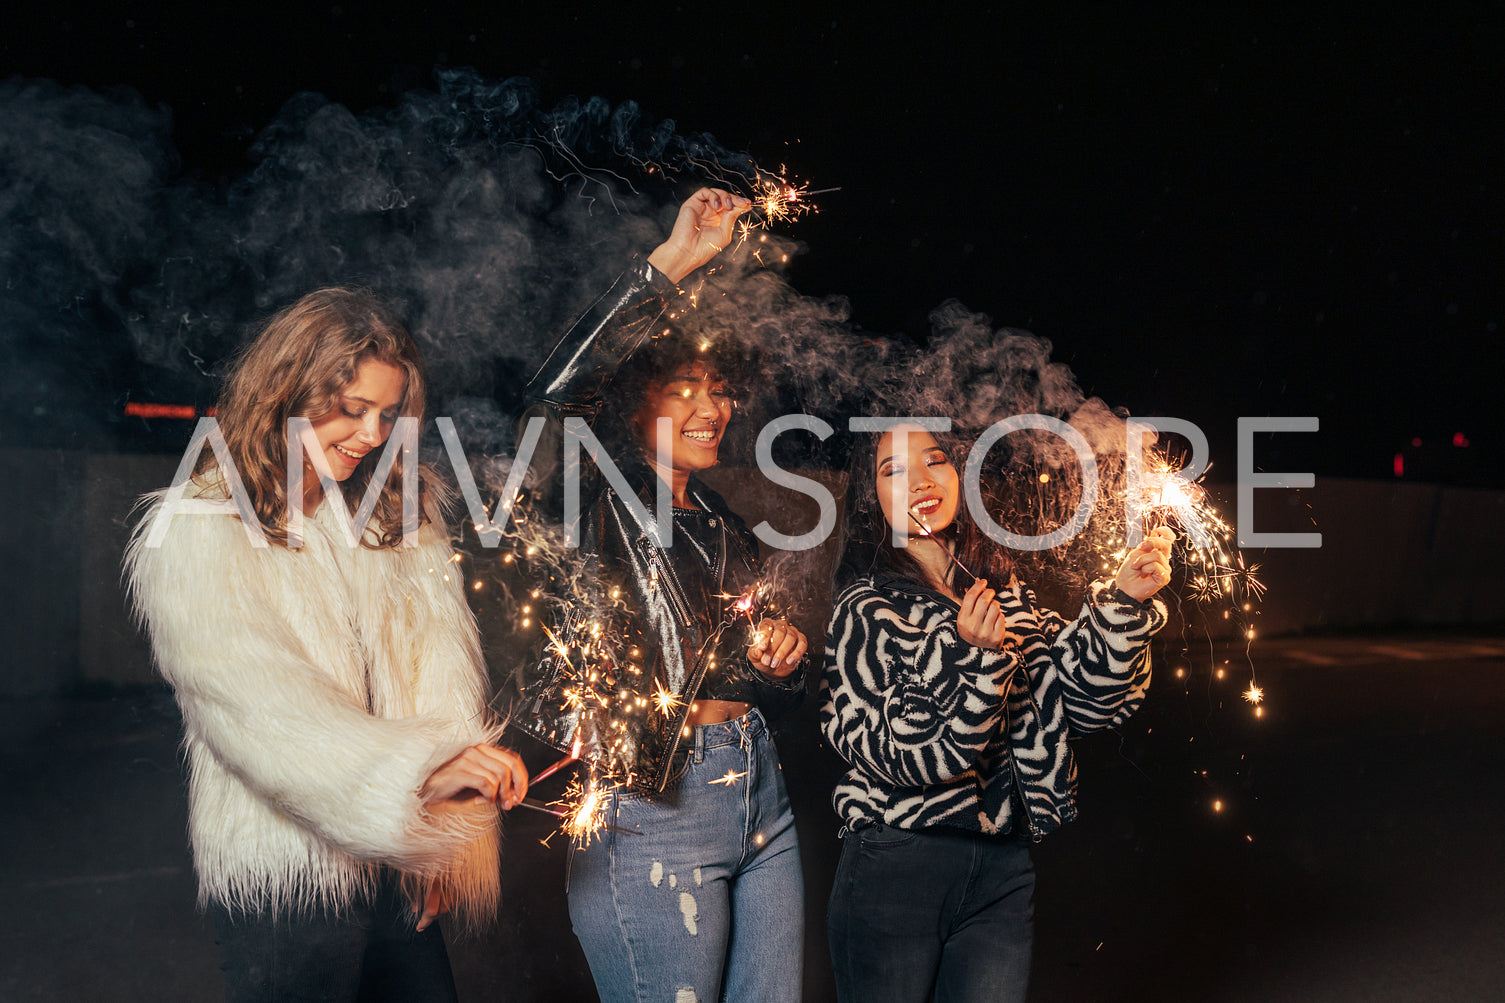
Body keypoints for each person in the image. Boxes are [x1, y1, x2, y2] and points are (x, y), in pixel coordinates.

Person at [124, 288, 529, 1001]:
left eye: (387, 412)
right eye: (350, 408)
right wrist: (417, 780)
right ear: (287, 391)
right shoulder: (199, 526)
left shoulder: (397, 512)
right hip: (287, 874)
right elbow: (258, 713)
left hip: (399, 856)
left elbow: (436, 674)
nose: (371, 433)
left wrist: (442, 834)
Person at [514, 189, 811, 1003]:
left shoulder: (719, 515)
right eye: (688, 387)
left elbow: (733, 660)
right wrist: (677, 259)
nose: (714, 407)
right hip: (650, 805)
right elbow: (552, 401)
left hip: (759, 792)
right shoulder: (590, 494)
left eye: (720, 390)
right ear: (634, 400)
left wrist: (779, 653)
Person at [820, 423, 1174, 1003]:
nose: (922, 480)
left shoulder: (1007, 591)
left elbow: (1081, 705)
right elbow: (907, 758)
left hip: (1003, 869)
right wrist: (980, 665)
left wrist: (1123, 602)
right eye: (894, 470)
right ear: (869, 501)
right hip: (899, 865)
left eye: (935, 461)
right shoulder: (867, 610)